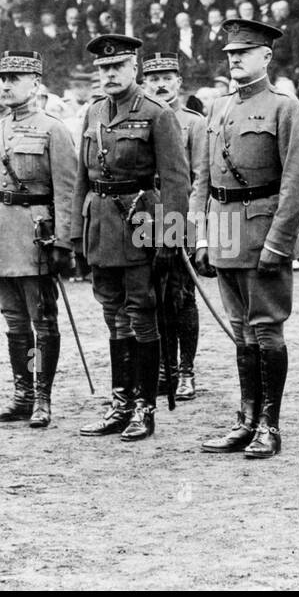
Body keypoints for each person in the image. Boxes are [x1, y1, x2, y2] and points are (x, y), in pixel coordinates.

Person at [192, 19, 299, 458]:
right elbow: (202, 181)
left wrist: (280, 242)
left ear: (266, 56)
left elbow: (297, 182)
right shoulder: (218, 109)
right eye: (230, 53)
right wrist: (200, 236)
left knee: (266, 330)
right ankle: (245, 420)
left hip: (263, 231)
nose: (235, 59)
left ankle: (269, 425)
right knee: (240, 331)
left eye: (244, 52)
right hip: (223, 230)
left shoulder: (284, 107)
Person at [73, 34, 189, 441]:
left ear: (133, 69)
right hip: (101, 225)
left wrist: (171, 239)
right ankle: (120, 402)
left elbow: (177, 180)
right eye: (103, 69)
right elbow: (81, 179)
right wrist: (75, 233)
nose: (109, 74)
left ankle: (144, 407)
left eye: (116, 67)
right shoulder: (93, 113)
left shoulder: (156, 113)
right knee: (112, 314)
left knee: (141, 313)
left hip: (141, 222)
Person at [0, 51, 78, 428]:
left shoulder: (54, 129)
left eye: (14, 79)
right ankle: (21, 394)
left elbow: (67, 192)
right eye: (1, 79)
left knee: (42, 319)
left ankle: (42, 397)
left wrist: (64, 243)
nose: (4, 86)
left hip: (35, 234)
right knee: (13, 320)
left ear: (35, 84)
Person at [141, 52, 206, 402]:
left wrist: (187, 226)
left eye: (168, 76)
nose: (161, 83)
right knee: (150, 294)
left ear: (179, 82)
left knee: (182, 296)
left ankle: (186, 370)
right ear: (144, 82)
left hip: (182, 216)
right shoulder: (140, 119)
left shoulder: (193, 123)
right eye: (153, 78)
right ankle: (163, 367)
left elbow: (200, 179)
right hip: (145, 216)